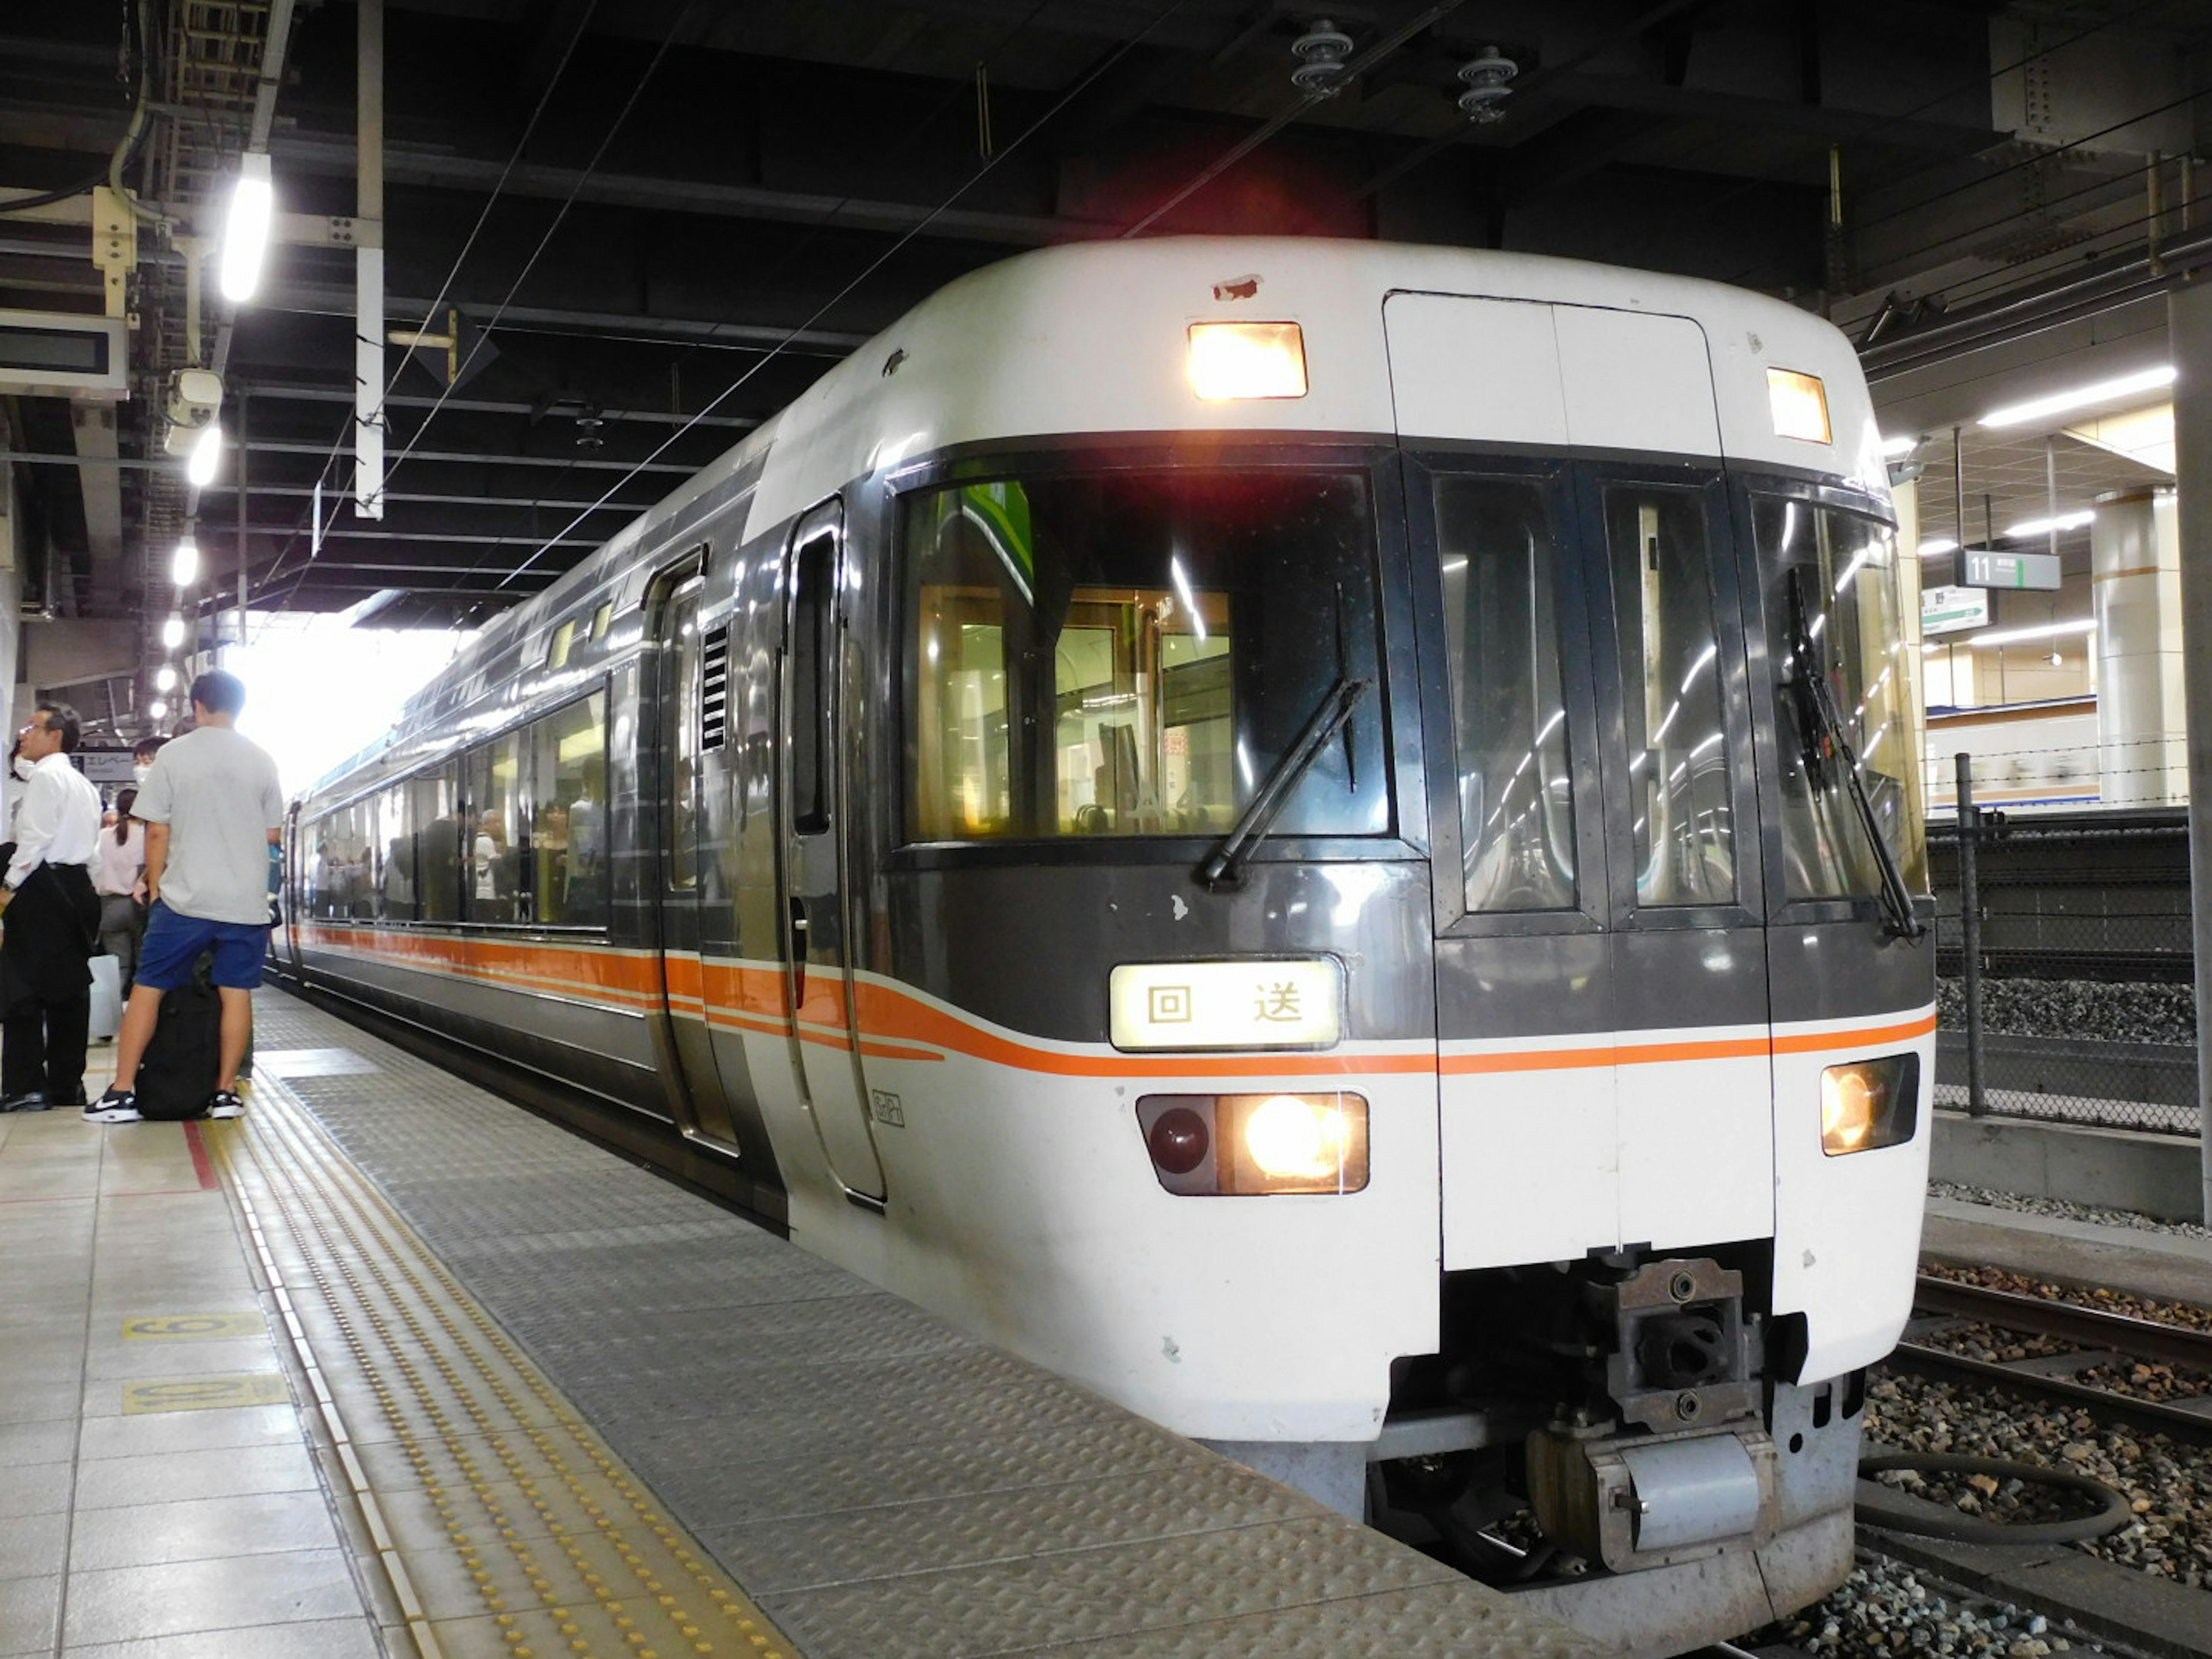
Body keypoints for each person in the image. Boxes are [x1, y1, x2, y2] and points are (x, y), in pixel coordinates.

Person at [87, 671, 285, 1124]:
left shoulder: (175, 755)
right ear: (240, 706)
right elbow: (272, 834)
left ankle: (120, 1093)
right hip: (244, 903)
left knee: (149, 988)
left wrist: (158, 889)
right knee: (235, 993)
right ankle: (224, 1093)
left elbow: (156, 829)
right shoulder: (262, 760)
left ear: (197, 705)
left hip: (185, 901)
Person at [0, 703, 105, 1112]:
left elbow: (34, 843)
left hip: (42, 886)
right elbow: (92, 853)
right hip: (78, 887)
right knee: (70, 993)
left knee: (21, 989)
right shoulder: (83, 784)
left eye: (32, 728)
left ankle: (26, 1086)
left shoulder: (46, 777)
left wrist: (8, 888)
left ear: (55, 735)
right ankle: (67, 1085)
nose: (24, 735)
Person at [93, 785, 149, 992]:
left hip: (110, 908)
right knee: (146, 970)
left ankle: (112, 1017)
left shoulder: (104, 836)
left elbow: (94, 868)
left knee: (118, 968)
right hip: (140, 907)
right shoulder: (147, 837)